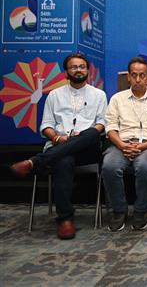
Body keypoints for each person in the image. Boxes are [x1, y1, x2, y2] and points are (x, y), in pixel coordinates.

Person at [10, 52, 107, 239]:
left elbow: (102, 124)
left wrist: (82, 136)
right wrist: (56, 138)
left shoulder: (99, 95)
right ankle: (65, 220)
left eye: (81, 67)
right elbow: (45, 125)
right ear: (66, 72)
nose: (78, 70)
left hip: (87, 148)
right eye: (73, 67)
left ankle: (34, 162)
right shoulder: (54, 95)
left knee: (93, 133)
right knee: (64, 160)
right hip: (59, 145)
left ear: (88, 70)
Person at [101, 57, 147, 231]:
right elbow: (111, 128)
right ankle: (119, 211)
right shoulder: (117, 99)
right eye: (134, 75)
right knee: (109, 165)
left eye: (142, 75)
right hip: (121, 144)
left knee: (145, 166)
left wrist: (143, 147)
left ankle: (140, 211)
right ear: (128, 77)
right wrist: (123, 146)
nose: (138, 79)